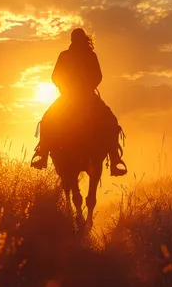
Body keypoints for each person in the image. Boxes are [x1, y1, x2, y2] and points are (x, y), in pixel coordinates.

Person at [30, 28, 128, 177]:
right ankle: (42, 153)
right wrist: (67, 88)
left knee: (111, 121)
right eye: (74, 38)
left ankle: (114, 158)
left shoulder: (88, 56)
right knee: (47, 120)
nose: (74, 41)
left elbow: (97, 76)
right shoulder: (66, 56)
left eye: (76, 39)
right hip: (72, 96)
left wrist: (85, 87)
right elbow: (56, 76)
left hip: (84, 96)